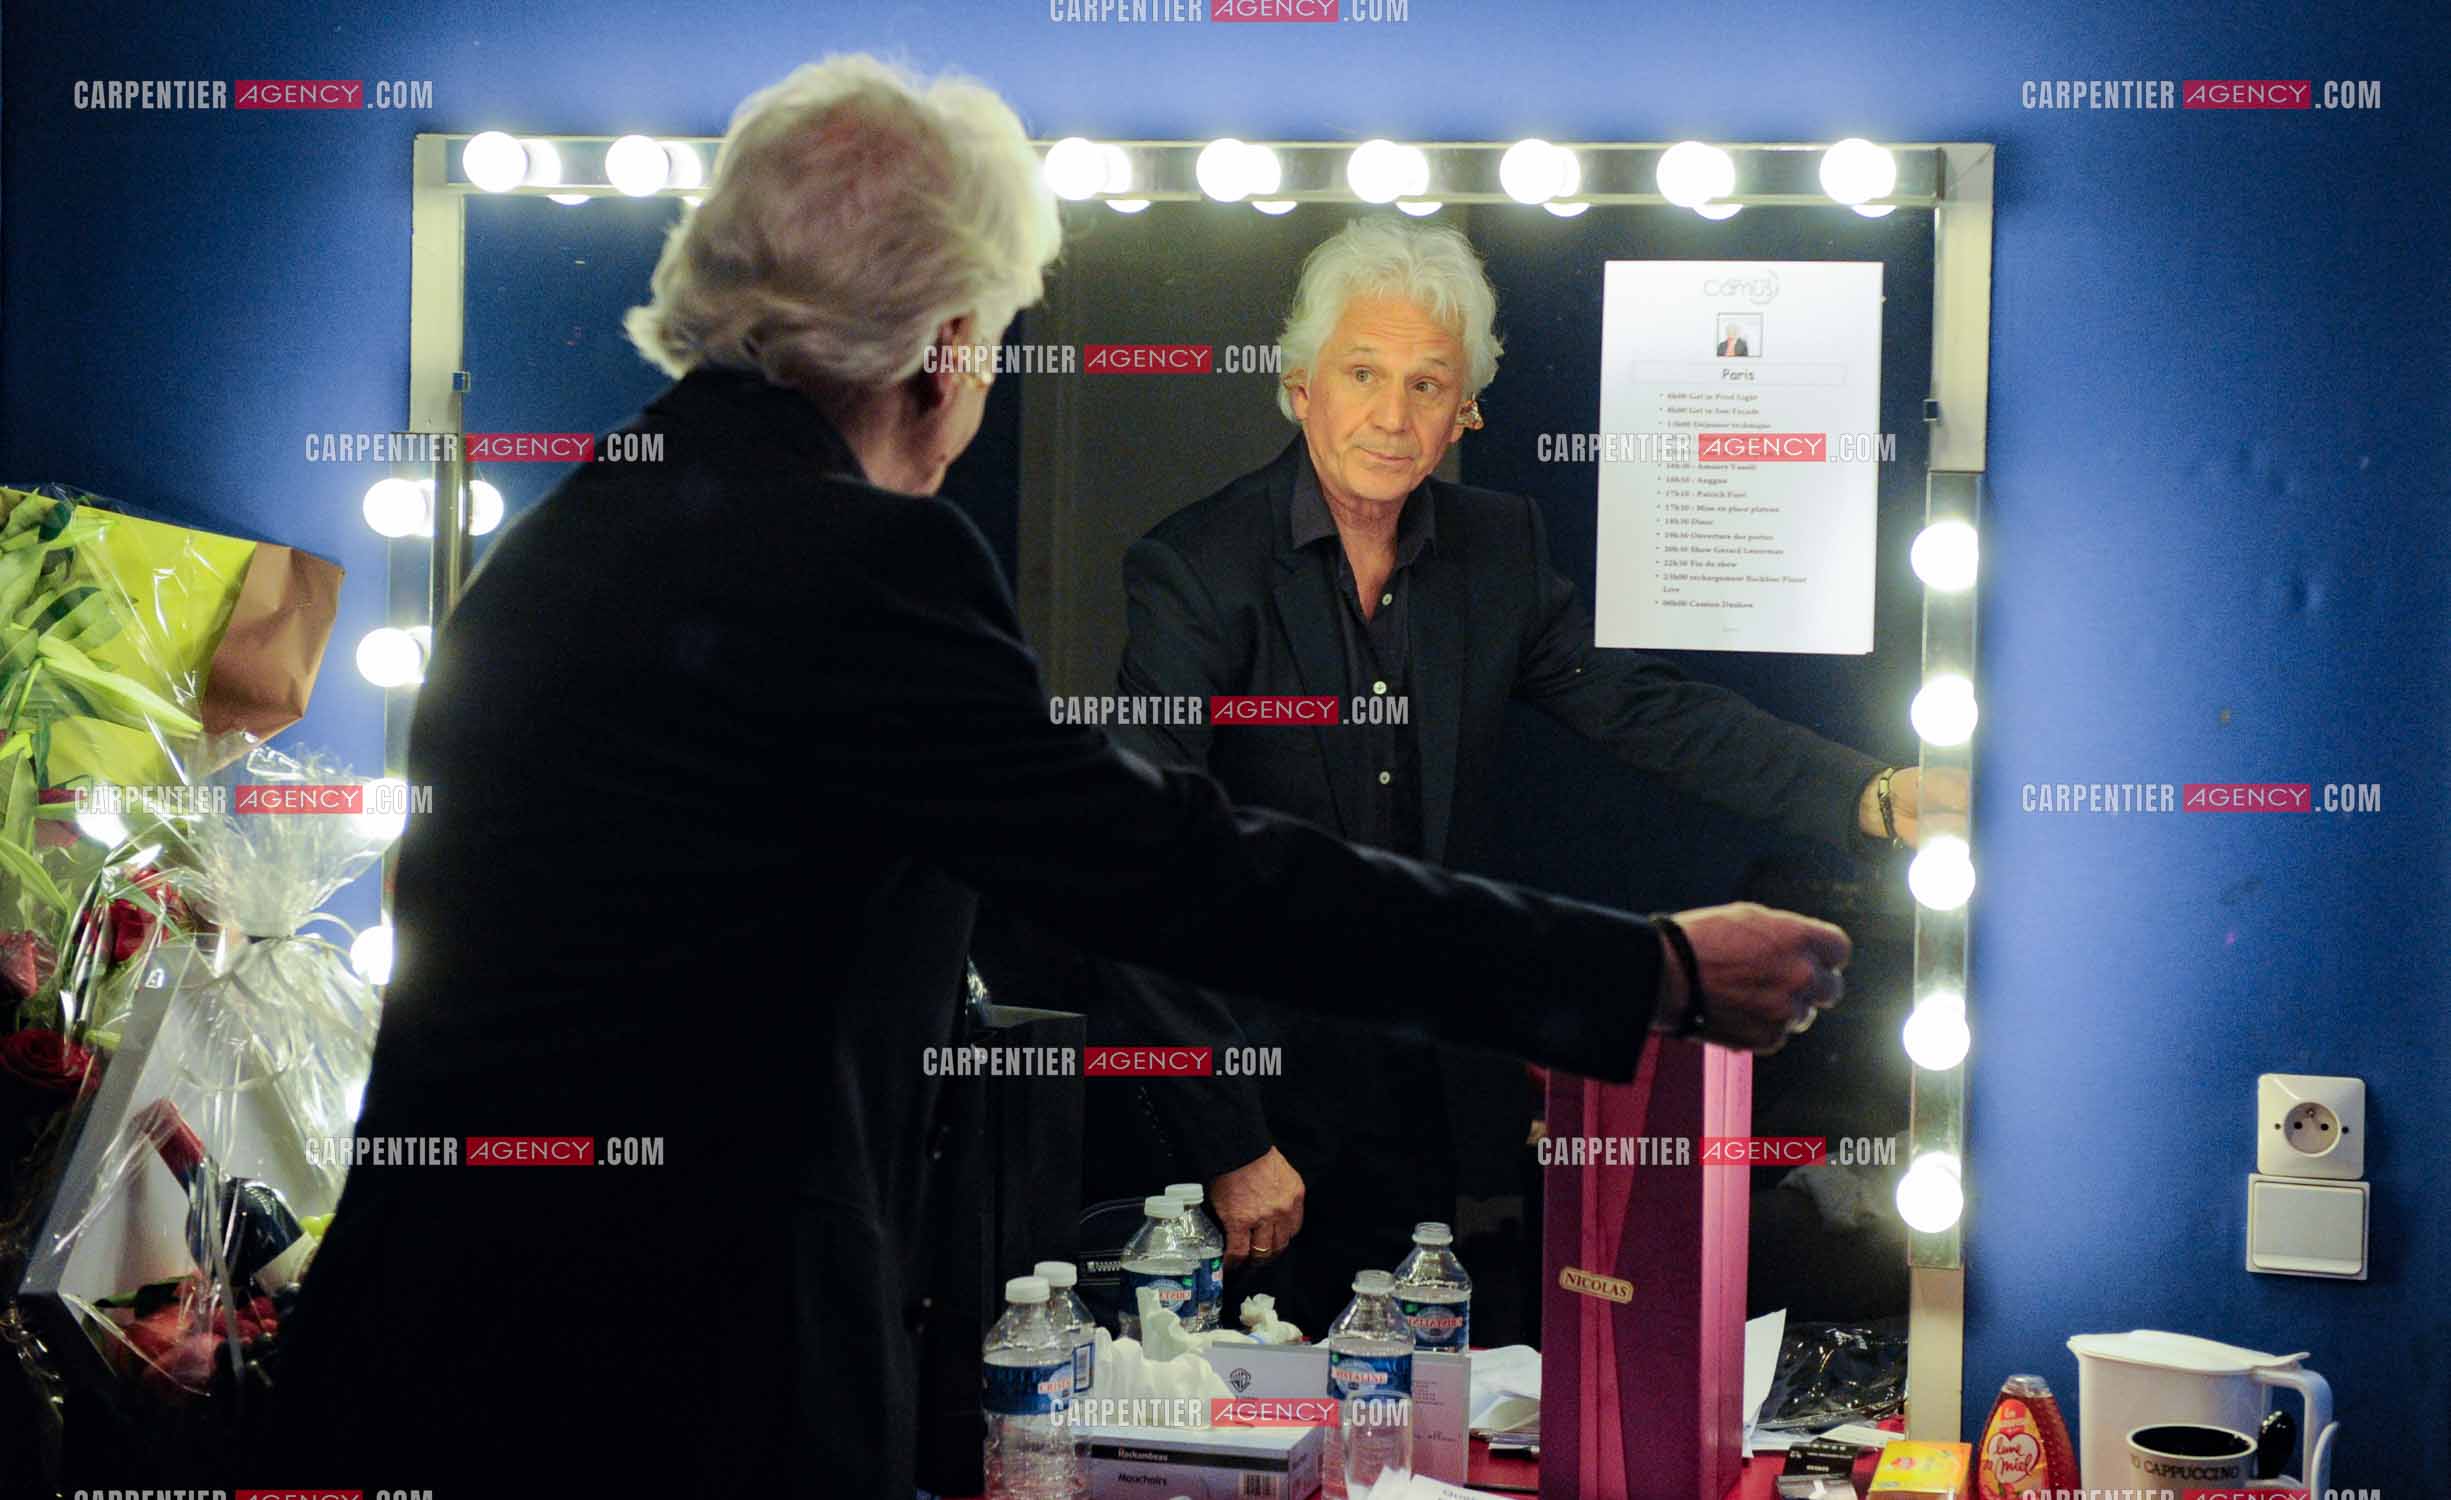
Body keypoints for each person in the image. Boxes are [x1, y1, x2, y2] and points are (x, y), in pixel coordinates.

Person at [261, 57, 1854, 1499]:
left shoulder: (562, 542)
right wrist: (1641, 971)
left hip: (407, 1363)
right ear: (949, 344)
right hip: (672, 1389)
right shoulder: (864, 561)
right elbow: (1169, 867)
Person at [1068, 218, 1946, 1329]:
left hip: (1411, 1088)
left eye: (1428, 383)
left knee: (1397, 1394)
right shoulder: (1198, 567)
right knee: (1233, 1403)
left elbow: (1644, 708)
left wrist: (1872, 794)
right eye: (1362, 372)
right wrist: (1230, 1139)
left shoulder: (1495, 550)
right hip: (1238, 1094)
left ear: (1466, 410)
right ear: (1299, 386)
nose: (1393, 415)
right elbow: (1139, 864)